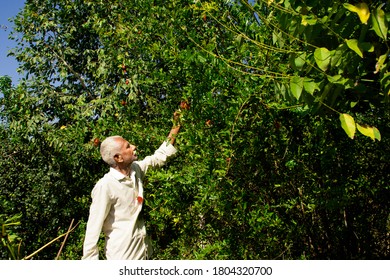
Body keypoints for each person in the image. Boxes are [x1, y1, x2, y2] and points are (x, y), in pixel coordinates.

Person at [82, 112, 181, 260]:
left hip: (144, 254)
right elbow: (93, 230)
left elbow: (159, 157)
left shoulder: (136, 170)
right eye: (128, 146)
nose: (134, 146)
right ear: (118, 158)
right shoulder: (106, 186)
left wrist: (176, 125)